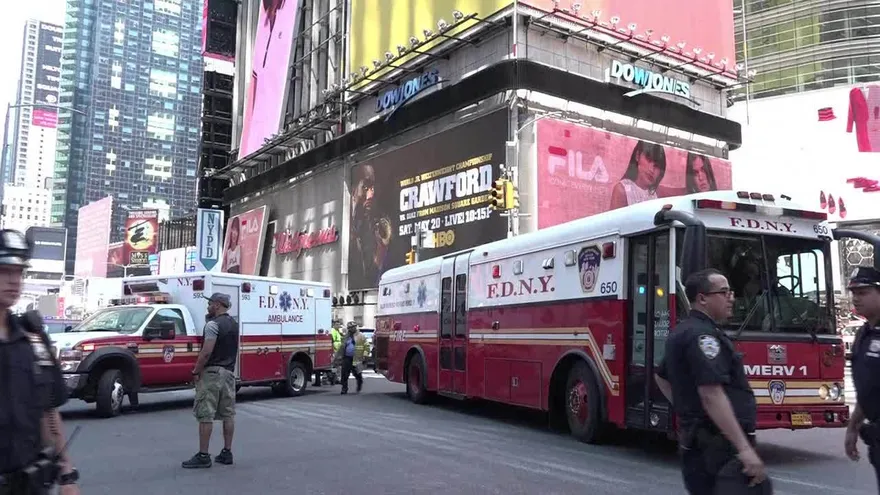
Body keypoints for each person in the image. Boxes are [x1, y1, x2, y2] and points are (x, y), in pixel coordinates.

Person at [654, 268, 771, 494]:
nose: (731, 298)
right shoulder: (703, 336)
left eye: (731, 292)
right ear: (702, 299)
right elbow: (711, 394)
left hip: (701, 441)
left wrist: (686, 411)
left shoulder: (684, 331)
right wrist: (744, 449)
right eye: (724, 292)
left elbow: (661, 376)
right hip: (719, 447)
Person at [0, 229, 80, 494]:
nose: (14, 281)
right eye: (4, 271)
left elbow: (48, 411)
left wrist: (67, 475)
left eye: (19, 272)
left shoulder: (33, 341)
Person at [182, 293, 239, 469]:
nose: (208, 306)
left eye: (210, 303)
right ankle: (227, 452)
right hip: (229, 374)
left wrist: (196, 370)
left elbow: (206, 352)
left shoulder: (213, 325)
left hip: (212, 373)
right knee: (228, 414)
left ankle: (203, 455)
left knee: (205, 413)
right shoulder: (234, 324)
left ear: (217, 305)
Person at [844, 266, 880, 490]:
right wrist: (853, 426)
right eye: (854, 293)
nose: (856, 299)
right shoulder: (863, 334)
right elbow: (869, 388)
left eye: (863, 293)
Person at [334, 322, 367, 395]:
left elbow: (366, 346)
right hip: (347, 358)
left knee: (357, 373)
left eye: (354, 327)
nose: (352, 328)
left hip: (357, 358)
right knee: (344, 374)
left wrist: (365, 356)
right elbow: (341, 348)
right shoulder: (345, 337)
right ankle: (344, 388)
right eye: (351, 327)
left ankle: (359, 384)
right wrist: (337, 357)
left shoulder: (361, 336)